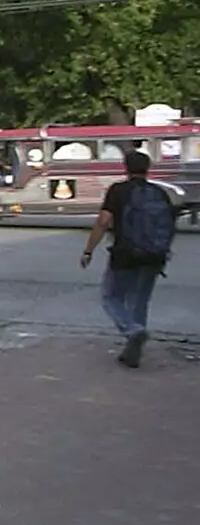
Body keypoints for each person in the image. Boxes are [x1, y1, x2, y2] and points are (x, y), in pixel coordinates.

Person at [81, 150, 178, 368]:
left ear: (125, 167)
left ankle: (133, 331)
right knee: (140, 301)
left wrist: (88, 250)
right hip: (154, 256)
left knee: (111, 296)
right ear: (148, 168)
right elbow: (169, 226)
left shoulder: (118, 190)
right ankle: (133, 348)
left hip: (126, 254)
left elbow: (104, 221)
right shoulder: (159, 193)